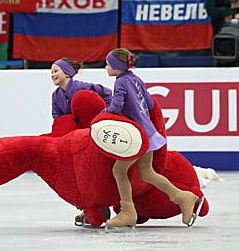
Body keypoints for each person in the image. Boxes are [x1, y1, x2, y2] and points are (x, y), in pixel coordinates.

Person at [103, 48, 204, 228]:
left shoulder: (120, 83)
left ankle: (127, 212)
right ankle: (182, 197)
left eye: (108, 64)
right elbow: (149, 103)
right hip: (148, 133)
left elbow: (116, 106)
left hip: (137, 137)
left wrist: (102, 113)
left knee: (119, 170)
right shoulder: (136, 79)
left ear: (117, 67)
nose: (106, 67)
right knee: (147, 173)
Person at [50, 57, 113, 226]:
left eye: (56, 70)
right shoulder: (56, 95)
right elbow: (57, 117)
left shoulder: (81, 88)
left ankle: (102, 207)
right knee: (81, 174)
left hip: (93, 135)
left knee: (95, 171)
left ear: (68, 73)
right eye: (51, 72)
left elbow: (107, 93)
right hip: (76, 140)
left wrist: (105, 115)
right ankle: (91, 208)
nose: (52, 74)